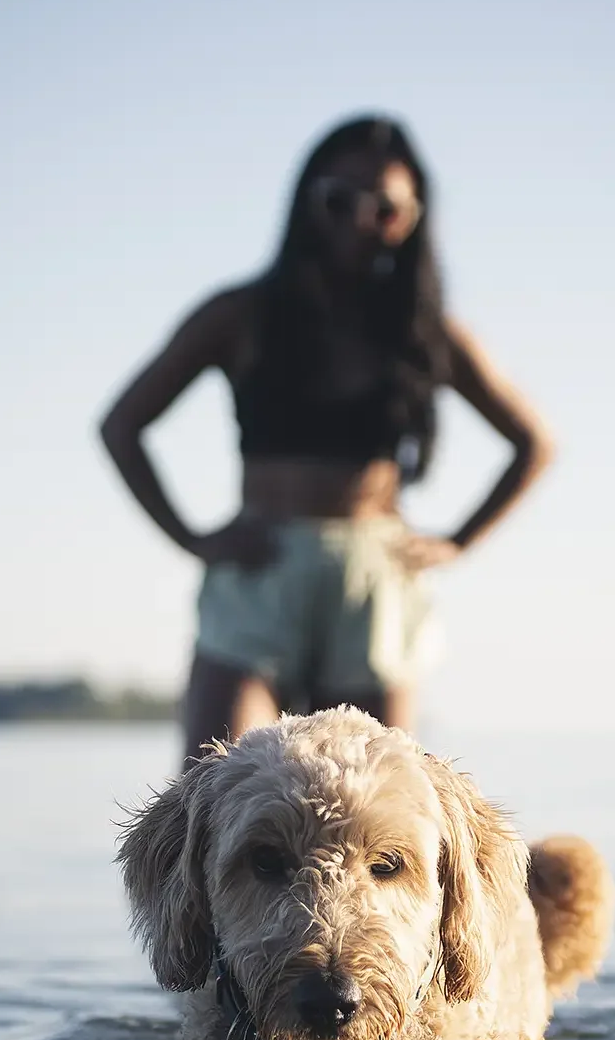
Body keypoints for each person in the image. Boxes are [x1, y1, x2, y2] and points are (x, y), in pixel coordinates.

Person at [98, 115, 553, 763]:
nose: (360, 221)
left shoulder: (426, 333)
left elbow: (533, 442)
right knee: (209, 782)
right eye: (340, 200)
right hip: (259, 566)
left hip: (372, 577)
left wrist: (459, 541)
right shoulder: (240, 315)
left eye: (385, 209)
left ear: (413, 219)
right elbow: (122, 425)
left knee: (375, 800)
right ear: (308, 201)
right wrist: (191, 538)